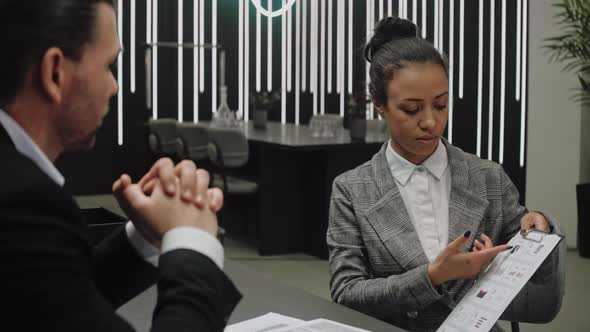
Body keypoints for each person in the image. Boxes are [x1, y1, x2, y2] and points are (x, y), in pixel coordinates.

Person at [0, 0, 241, 330]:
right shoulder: (23, 203)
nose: (114, 86)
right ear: (55, 72)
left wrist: (146, 236)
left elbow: (50, 306)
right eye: (109, 66)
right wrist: (193, 242)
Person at [327, 17, 565, 332]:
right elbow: (346, 292)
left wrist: (537, 229)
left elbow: (535, 273)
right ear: (379, 105)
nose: (430, 122)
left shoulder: (487, 177)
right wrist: (432, 276)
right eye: (411, 109)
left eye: (440, 105)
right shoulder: (352, 190)